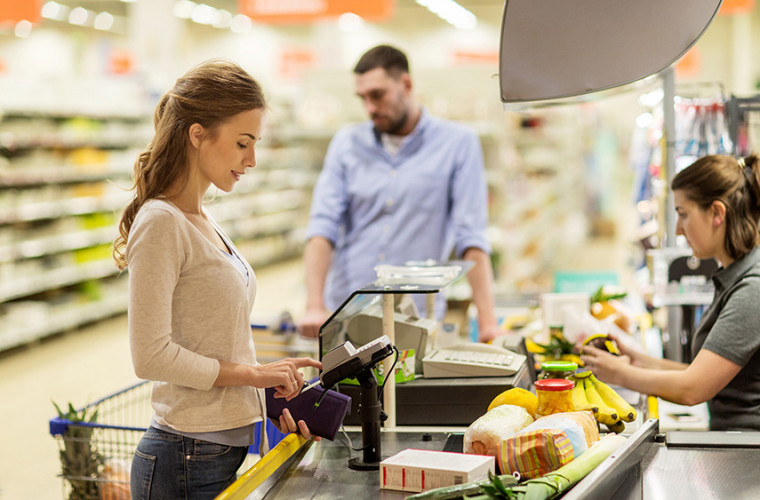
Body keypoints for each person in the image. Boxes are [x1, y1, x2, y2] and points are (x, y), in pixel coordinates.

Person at [112, 59, 322, 499]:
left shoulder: (203, 216)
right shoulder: (161, 222)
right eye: (243, 143)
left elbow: (213, 339)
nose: (253, 159)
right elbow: (150, 356)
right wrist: (253, 374)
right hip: (183, 457)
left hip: (214, 450)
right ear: (197, 134)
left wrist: (268, 389)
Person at [299, 45, 502, 342]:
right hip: (346, 311)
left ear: (406, 84)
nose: (369, 107)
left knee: (409, 389)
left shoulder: (458, 144)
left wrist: (488, 324)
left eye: (377, 95)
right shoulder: (346, 144)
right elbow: (322, 226)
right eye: (363, 98)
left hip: (416, 317)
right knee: (347, 391)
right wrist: (314, 304)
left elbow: (471, 238)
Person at [583, 154, 760, 431]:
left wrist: (621, 374)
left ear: (717, 213)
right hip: (747, 440)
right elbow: (702, 374)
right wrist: (639, 361)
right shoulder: (741, 273)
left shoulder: (758, 285)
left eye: (683, 214)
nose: (678, 229)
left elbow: (693, 389)